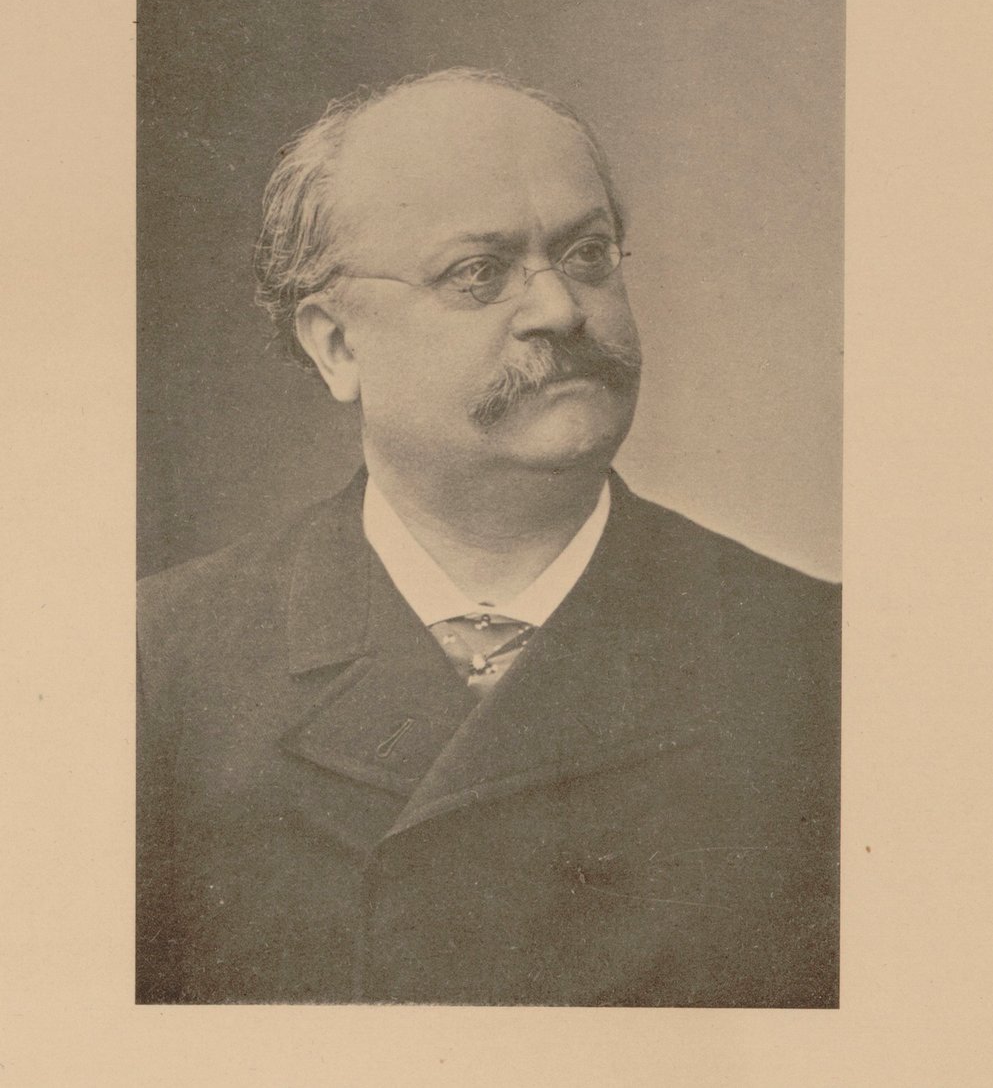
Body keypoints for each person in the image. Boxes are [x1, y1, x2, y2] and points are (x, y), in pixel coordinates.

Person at [137, 68, 840, 1006]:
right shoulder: (154, 667)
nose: (560, 309)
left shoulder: (820, 657)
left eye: (586, 254)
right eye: (478, 273)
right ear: (336, 344)